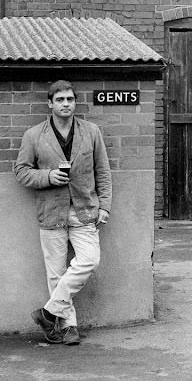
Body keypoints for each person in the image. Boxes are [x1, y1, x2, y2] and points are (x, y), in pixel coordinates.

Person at [14, 80, 111, 346]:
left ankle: (47, 313)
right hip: (51, 211)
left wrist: (104, 206)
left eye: (69, 99)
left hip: (84, 211)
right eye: (60, 100)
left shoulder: (91, 131)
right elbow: (21, 171)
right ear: (50, 103)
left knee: (89, 260)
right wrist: (48, 176)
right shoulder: (34, 135)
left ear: (75, 102)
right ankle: (68, 327)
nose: (65, 104)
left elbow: (102, 171)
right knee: (56, 273)